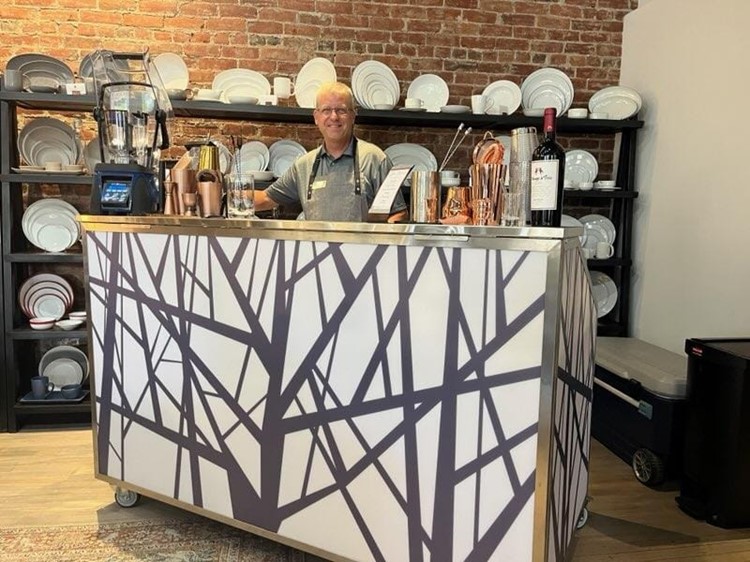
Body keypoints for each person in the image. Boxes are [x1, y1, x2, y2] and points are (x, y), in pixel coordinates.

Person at [254, 82, 408, 222]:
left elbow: (399, 213)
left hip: (362, 246)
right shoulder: (303, 165)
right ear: (316, 117)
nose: (334, 117)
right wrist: (239, 192)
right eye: (326, 110)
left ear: (353, 116)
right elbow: (266, 198)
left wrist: (377, 239)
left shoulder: (374, 159)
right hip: (316, 245)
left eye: (341, 110)